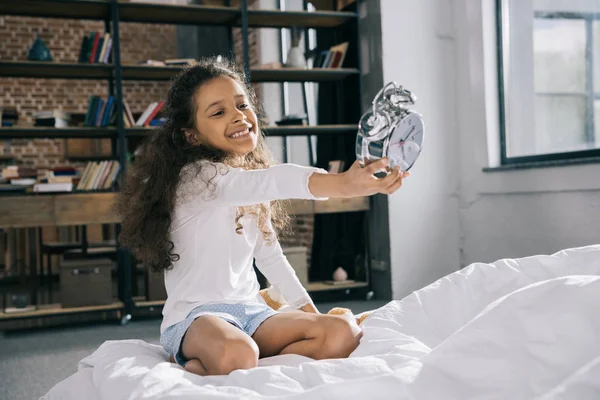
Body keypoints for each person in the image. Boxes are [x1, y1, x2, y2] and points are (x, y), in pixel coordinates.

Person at [116, 58, 410, 377]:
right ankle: (201, 359)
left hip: (251, 314)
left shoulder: (247, 180)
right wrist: (344, 183)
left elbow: (271, 258)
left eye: (242, 104)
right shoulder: (195, 179)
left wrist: (310, 315)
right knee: (238, 352)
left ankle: (231, 365)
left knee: (342, 331)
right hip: (196, 320)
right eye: (219, 112)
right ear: (191, 136)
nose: (239, 116)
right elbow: (275, 179)